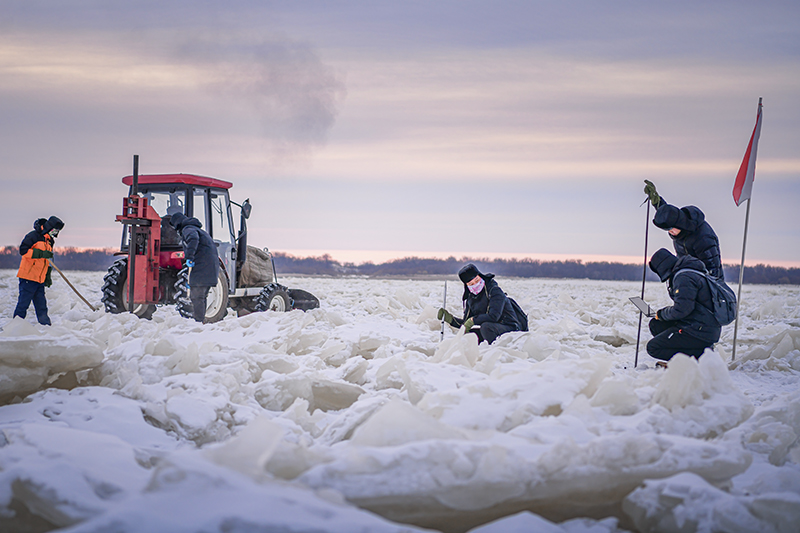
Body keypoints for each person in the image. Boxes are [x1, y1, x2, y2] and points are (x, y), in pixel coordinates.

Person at [646, 248, 721, 364]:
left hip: (700, 330)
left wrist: (662, 314)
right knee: (657, 325)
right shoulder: (689, 272)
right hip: (702, 326)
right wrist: (660, 316)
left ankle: (699, 356)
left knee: (653, 347)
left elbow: (682, 310)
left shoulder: (684, 277)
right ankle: (694, 353)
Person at [643, 180, 724, 280]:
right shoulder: (680, 227)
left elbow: (713, 270)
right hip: (687, 276)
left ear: (679, 224)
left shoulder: (703, 238)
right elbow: (667, 214)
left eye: (671, 229)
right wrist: (656, 201)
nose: (670, 232)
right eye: (667, 230)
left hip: (706, 282)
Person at [437, 263, 524, 344]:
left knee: (486, 327)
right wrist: (450, 319)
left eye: (477, 280)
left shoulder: (494, 290)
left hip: (510, 327)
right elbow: (466, 323)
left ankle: (495, 350)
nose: (475, 284)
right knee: (471, 335)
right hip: (493, 328)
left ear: (480, 276)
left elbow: (494, 316)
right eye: (471, 283)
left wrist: (473, 320)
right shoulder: (471, 298)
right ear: (466, 285)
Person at [170, 212, 220, 323]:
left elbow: (193, 239)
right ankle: (200, 321)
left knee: (197, 296)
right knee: (201, 296)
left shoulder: (188, 229)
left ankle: (198, 322)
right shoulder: (199, 230)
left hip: (202, 266)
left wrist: (189, 257)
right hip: (210, 266)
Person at [14, 216, 64, 325]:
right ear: (50, 227)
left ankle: (46, 327)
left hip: (39, 280)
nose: (56, 233)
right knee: (23, 305)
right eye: (55, 230)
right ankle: (14, 327)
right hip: (28, 278)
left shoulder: (50, 241)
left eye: (57, 231)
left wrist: (47, 276)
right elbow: (23, 251)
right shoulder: (33, 236)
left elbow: (47, 261)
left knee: (42, 307)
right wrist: (40, 254)